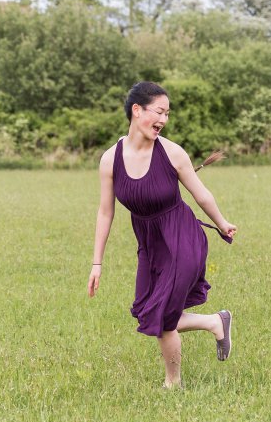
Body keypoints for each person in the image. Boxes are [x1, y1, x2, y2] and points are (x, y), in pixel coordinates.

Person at [88, 81, 238, 388]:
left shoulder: (172, 152)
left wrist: (222, 224)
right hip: (150, 243)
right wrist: (96, 263)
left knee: (162, 317)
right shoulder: (110, 159)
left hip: (182, 237)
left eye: (167, 114)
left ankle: (173, 384)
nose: (164, 120)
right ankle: (214, 322)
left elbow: (201, 195)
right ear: (137, 110)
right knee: (148, 313)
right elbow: (106, 212)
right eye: (159, 112)